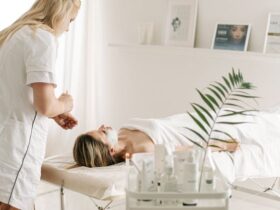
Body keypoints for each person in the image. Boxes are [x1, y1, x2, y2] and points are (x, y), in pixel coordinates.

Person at [0, 0, 80, 209]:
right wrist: (64, 104)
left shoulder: (13, 34)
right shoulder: (43, 38)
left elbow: (13, 92)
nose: (69, 27)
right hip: (17, 150)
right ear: (60, 12)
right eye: (70, 20)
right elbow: (45, 105)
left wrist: (54, 113)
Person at [73, 114, 240, 168]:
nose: (103, 126)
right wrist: (223, 145)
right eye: (102, 132)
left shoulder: (123, 131)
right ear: (110, 151)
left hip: (188, 119)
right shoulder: (142, 152)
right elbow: (189, 149)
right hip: (202, 131)